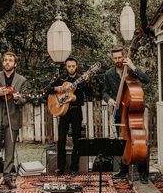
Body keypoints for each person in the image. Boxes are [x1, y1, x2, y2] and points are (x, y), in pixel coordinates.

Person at [102, 47, 150, 184]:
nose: (118, 60)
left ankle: (143, 173)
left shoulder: (131, 72)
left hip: (133, 111)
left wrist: (132, 66)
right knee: (123, 142)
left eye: (119, 57)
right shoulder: (109, 74)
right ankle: (123, 170)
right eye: (115, 58)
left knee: (141, 141)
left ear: (124, 56)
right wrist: (109, 99)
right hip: (119, 112)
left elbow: (146, 80)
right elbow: (104, 92)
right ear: (112, 59)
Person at [0, 52, 28, 190]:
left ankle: (8, 177)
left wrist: (16, 98)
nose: (7, 62)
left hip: (12, 119)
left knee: (10, 150)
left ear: (15, 64)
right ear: (3, 63)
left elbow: (24, 99)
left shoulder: (22, 80)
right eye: (5, 60)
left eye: (10, 60)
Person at [49, 57, 92, 176]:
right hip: (63, 111)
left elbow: (90, 93)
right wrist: (57, 88)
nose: (71, 68)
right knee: (61, 140)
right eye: (69, 66)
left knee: (76, 140)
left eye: (73, 66)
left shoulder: (82, 79)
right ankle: (60, 167)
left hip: (76, 112)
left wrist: (87, 82)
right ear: (66, 66)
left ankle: (74, 167)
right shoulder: (61, 79)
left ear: (76, 66)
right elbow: (48, 90)